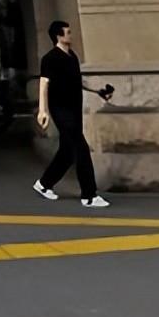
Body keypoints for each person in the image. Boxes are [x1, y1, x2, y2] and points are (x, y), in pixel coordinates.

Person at [34, 20, 109, 207]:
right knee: (81, 148)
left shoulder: (72, 56)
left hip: (74, 109)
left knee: (67, 151)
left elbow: (77, 82)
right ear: (58, 36)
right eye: (67, 32)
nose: (71, 35)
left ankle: (44, 184)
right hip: (61, 110)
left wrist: (98, 91)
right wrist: (42, 110)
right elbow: (44, 84)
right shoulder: (50, 58)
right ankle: (89, 196)